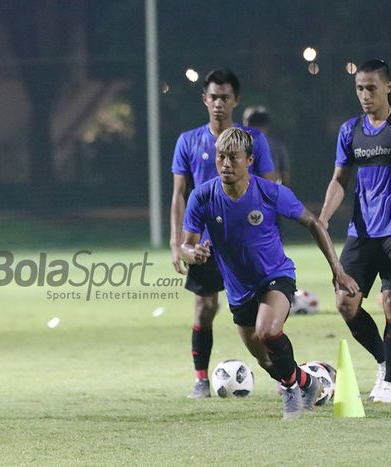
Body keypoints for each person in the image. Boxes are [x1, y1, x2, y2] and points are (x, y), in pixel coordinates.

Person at [181, 127, 359, 419]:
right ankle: (308, 382)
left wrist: (337, 271)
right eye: (220, 157)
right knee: (266, 360)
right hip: (239, 291)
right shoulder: (203, 197)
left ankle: (291, 392)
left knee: (268, 331)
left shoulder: (269, 191)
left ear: (249, 160)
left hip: (276, 276)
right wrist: (193, 254)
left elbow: (314, 223)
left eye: (233, 158)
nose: (225, 164)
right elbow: (185, 245)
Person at [318, 59, 391, 403]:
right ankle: (386, 360)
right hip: (361, 232)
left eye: (371, 88)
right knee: (345, 303)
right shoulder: (349, 131)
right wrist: (323, 217)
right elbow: (339, 180)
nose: (365, 95)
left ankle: (389, 383)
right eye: (359, 88)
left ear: (388, 87)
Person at [170, 69, 276, 399]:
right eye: (213, 97)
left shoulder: (253, 140)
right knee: (204, 307)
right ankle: (201, 379)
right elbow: (179, 195)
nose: (218, 103)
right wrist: (178, 244)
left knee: (263, 313)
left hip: (245, 244)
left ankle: (280, 372)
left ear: (236, 101)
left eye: (225, 97)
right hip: (203, 242)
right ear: (204, 99)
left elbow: (271, 188)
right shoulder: (188, 141)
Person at [243, 106, 292, 185]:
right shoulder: (277, 146)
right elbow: (285, 176)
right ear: (266, 124)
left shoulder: (239, 146)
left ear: (247, 124)